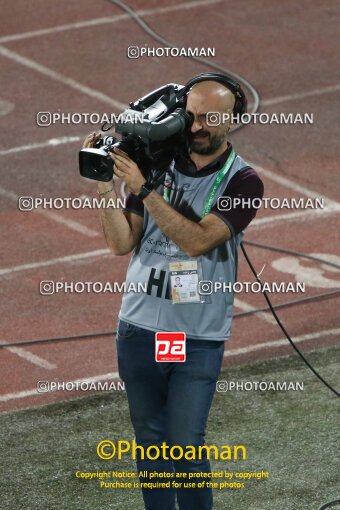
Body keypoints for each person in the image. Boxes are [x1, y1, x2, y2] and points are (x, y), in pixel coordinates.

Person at [83, 76, 264, 510]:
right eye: (191, 115)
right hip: (140, 329)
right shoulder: (158, 162)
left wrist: (144, 189)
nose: (197, 127)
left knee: (184, 443)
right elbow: (121, 243)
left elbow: (198, 241)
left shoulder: (243, 183)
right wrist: (106, 183)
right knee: (151, 445)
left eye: (210, 118)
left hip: (195, 337)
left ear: (234, 121)